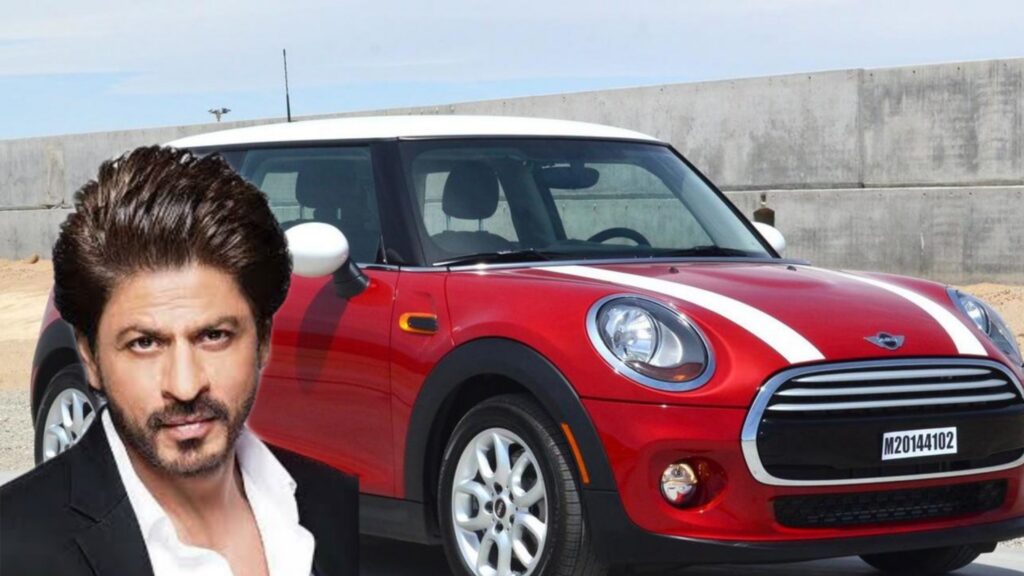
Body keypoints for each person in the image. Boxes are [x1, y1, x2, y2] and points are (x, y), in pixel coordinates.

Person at [0, 146, 358, 576]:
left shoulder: (331, 502)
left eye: (214, 336)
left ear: (263, 339)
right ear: (90, 357)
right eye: (144, 343)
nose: (185, 386)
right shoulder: (13, 548)